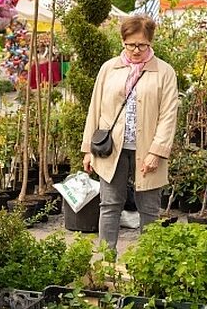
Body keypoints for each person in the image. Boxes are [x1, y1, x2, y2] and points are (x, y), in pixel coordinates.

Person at [81, 15, 179, 251]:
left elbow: (168, 116)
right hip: (111, 148)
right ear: (123, 41)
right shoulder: (109, 68)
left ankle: (149, 262)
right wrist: (87, 150)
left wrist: (157, 152)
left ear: (150, 42)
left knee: (149, 209)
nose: (136, 50)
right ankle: (105, 262)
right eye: (131, 44)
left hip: (147, 150)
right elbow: (95, 108)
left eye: (142, 45)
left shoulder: (164, 72)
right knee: (109, 205)